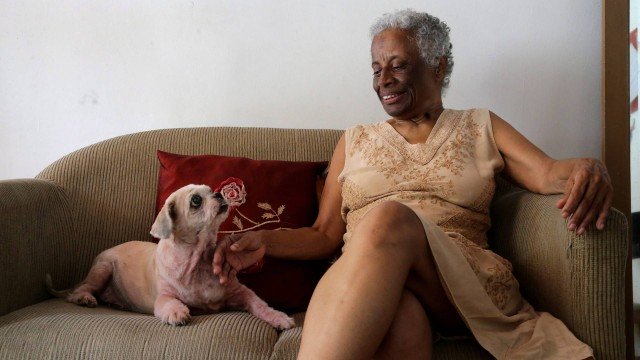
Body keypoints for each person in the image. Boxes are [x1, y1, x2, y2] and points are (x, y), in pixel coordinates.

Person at [213, 9, 610, 360]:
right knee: (403, 319)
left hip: (462, 284)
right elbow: (323, 235)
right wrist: (265, 240)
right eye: (375, 69)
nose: (383, 80)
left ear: (437, 67)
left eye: (398, 66)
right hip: (372, 278)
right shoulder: (354, 140)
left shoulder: (479, 125)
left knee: (388, 218)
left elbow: (546, 173)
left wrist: (589, 167)